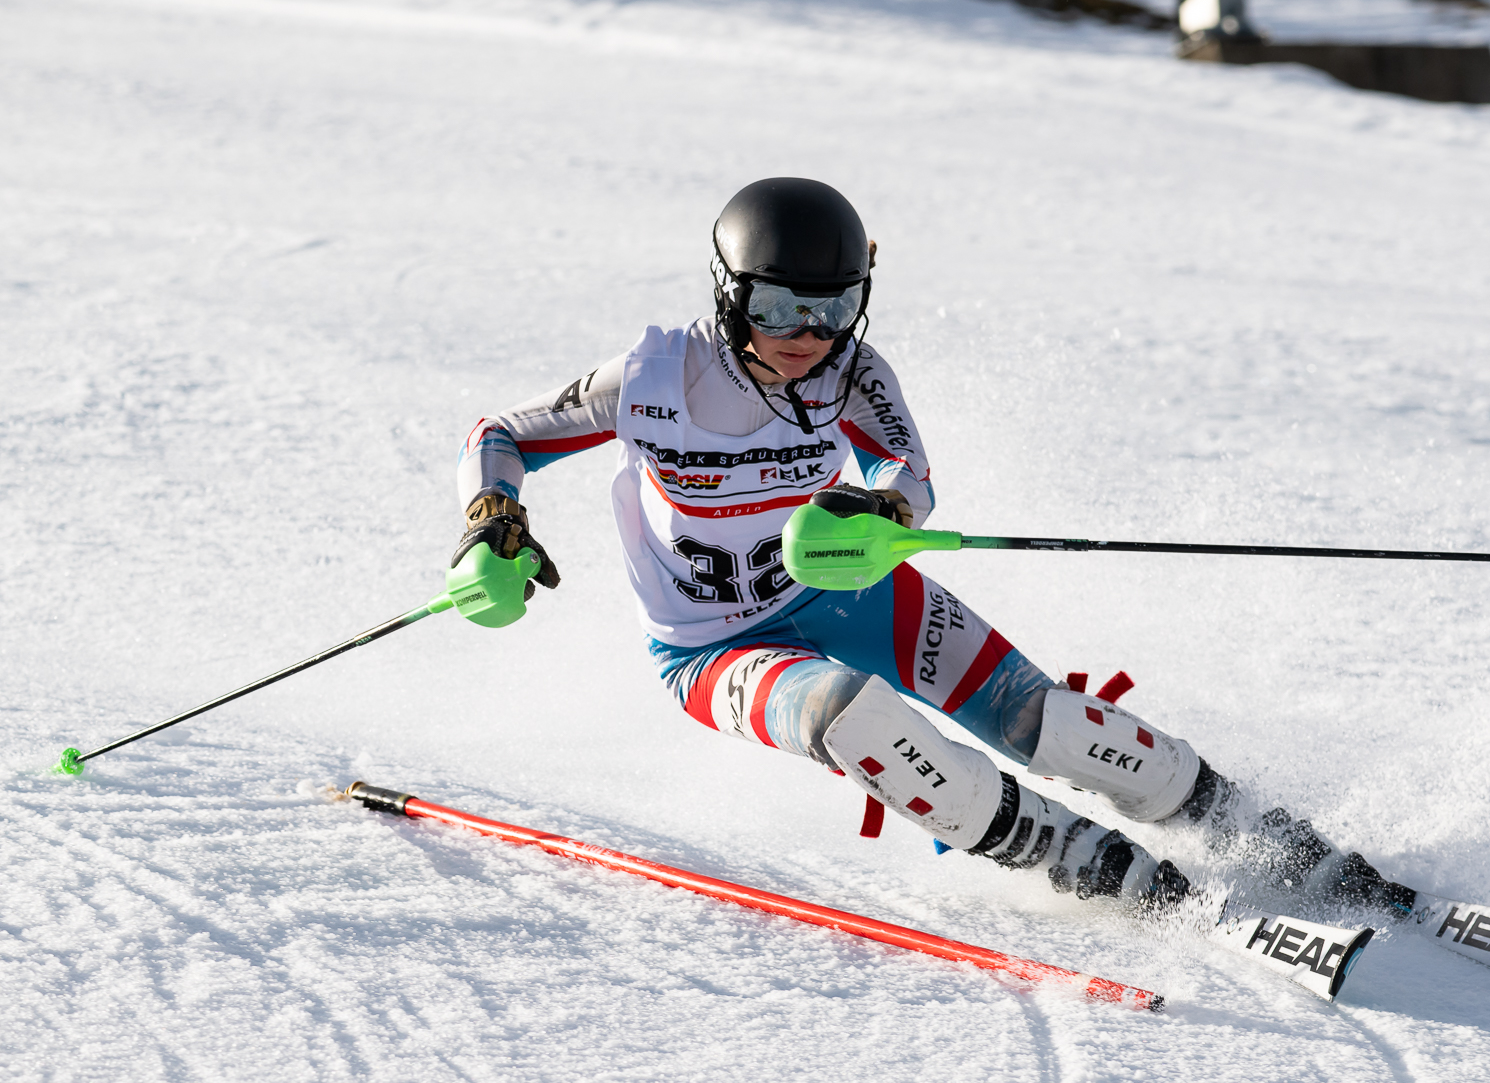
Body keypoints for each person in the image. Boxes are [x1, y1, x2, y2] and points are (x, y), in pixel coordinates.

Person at [451, 177, 1415, 916]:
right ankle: (1089, 865)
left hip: (844, 589)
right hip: (711, 645)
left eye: (831, 308)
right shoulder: (653, 377)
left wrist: (888, 517)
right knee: (858, 719)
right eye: (781, 306)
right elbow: (502, 432)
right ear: (731, 291)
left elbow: (911, 472)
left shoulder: (854, 373)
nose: (806, 335)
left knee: (1048, 722)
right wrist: (493, 516)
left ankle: (1260, 834)